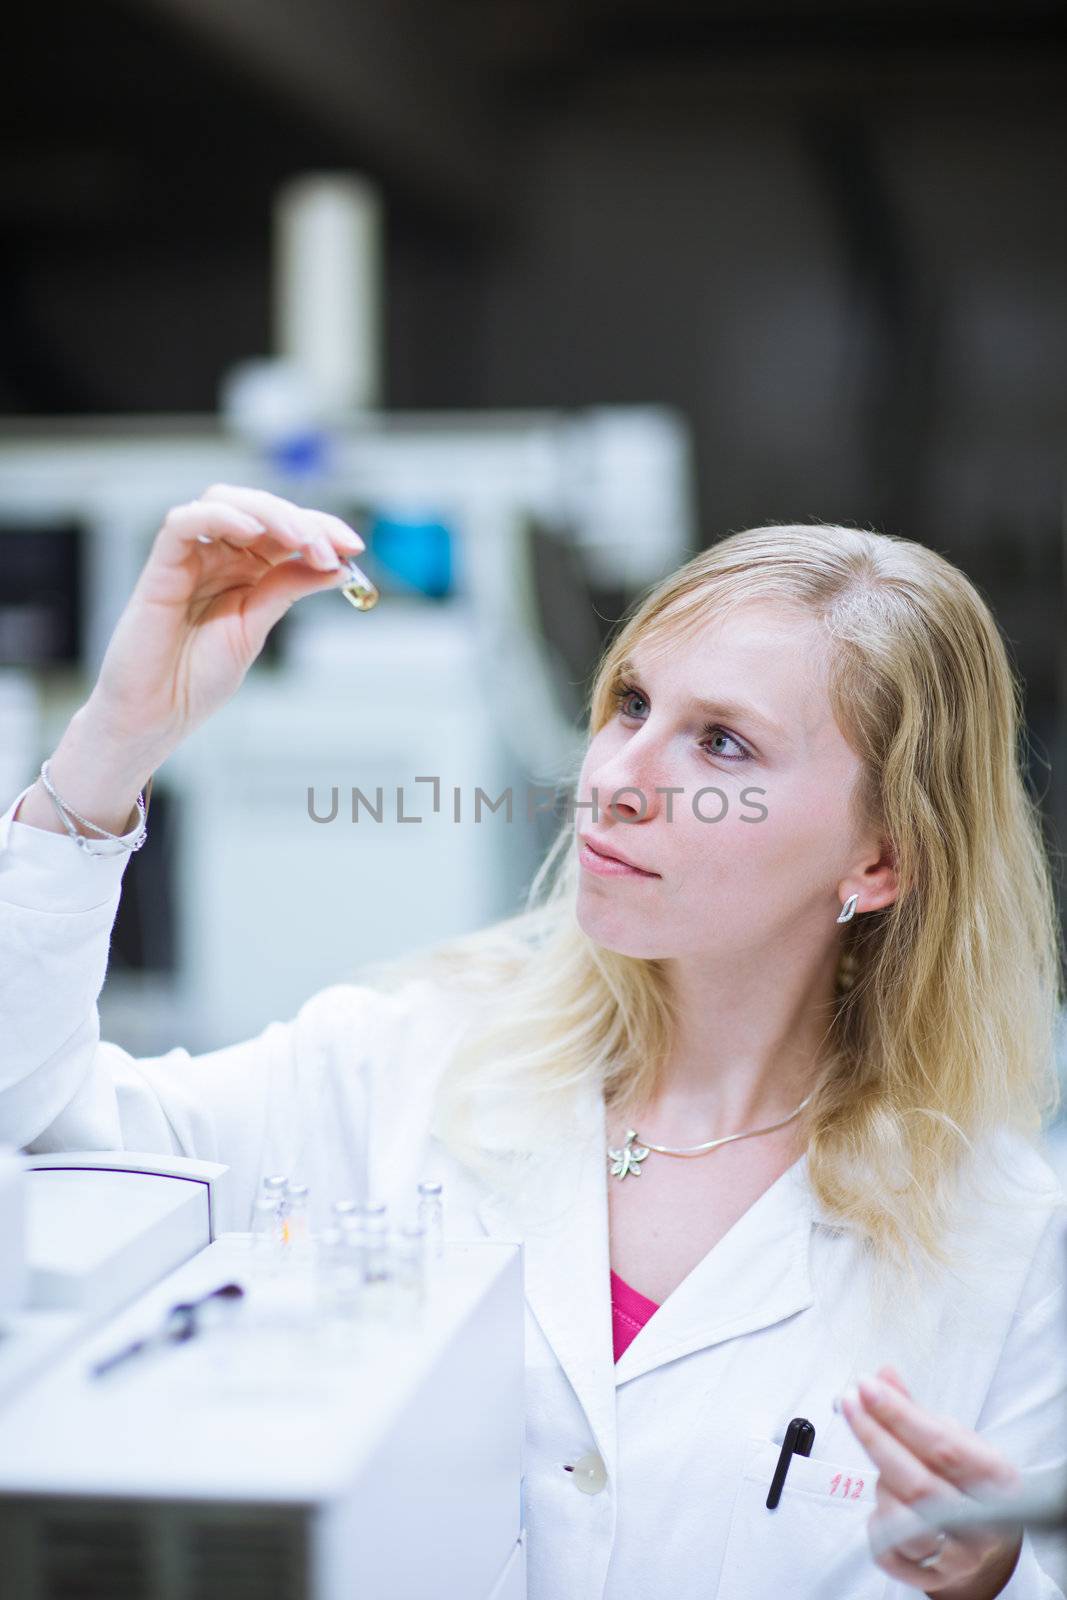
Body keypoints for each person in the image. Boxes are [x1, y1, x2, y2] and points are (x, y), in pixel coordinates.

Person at [1, 486, 1065, 1600]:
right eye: (628, 704)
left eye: (719, 744)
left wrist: (989, 1584)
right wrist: (112, 747)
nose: (611, 779)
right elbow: (38, 1132)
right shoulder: (399, 1060)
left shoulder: (996, 1245)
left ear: (878, 862)